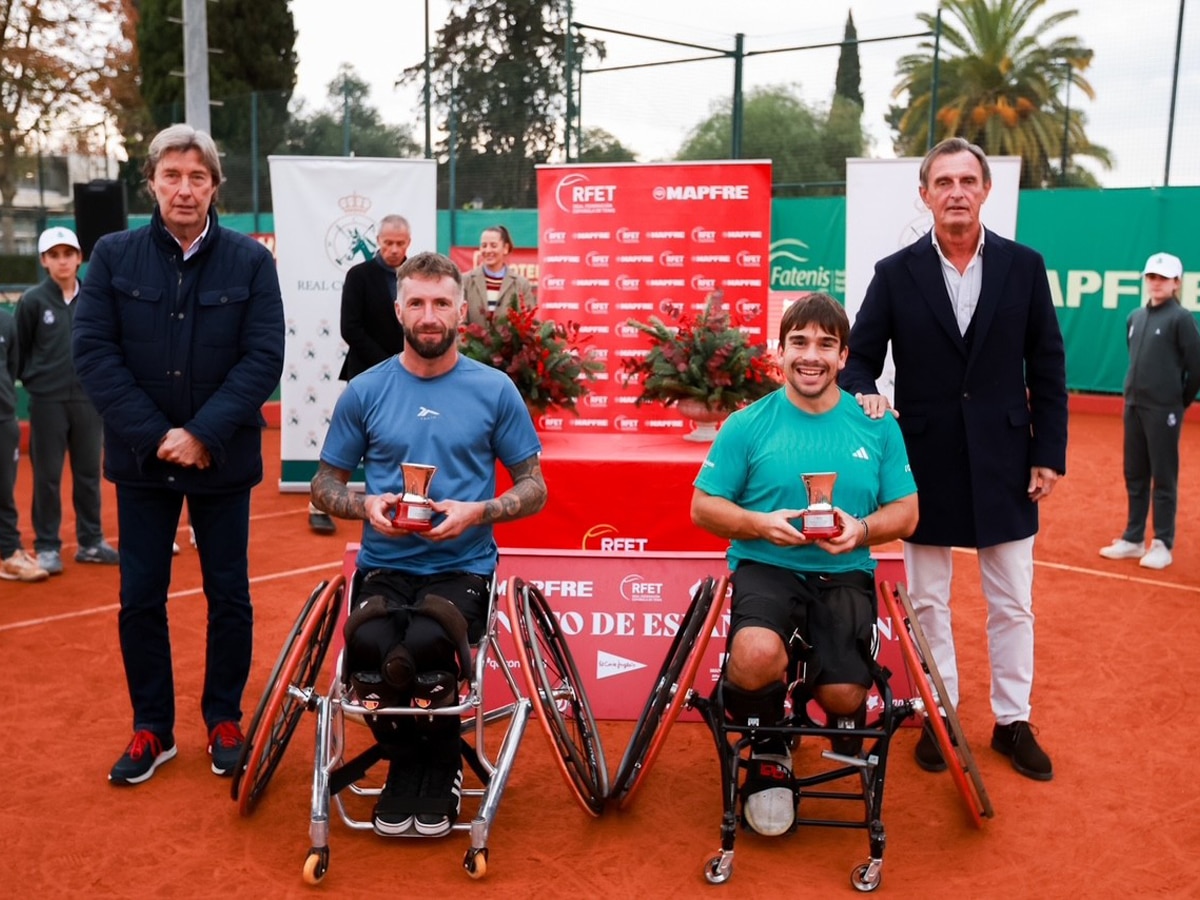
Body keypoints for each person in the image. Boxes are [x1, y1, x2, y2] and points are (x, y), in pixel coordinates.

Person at [841, 137, 1068, 783]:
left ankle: (1012, 721)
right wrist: (867, 397)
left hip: (1007, 460)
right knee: (929, 603)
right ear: (925, 195)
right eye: (944, 182)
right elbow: (861, 359)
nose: (957, 192)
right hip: (925, 464)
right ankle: (939, 713)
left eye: (968, 180)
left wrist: (1047, 452)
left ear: (986, 191)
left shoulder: (1025, 267)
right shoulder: (895, 272)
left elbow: (1048, 366)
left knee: (1013, 603)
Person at [72, 124, 285, 786]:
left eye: (198, 177)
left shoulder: (251, 262)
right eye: (172, 175)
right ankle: (152, 729)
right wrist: (158, 436)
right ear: (153, 183)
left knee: (229, 594)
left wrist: (201, 433)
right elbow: (94, 353)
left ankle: (224, 717)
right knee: (141, 596)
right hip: (142, 463)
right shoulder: (111, 256)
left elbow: (263, 358)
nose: (184, 188)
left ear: (216, 186)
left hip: (221, 459)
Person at [311, 250, 545, 838]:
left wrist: (479, 511)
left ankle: (434, 766)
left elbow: (534, 487)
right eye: (416, 302)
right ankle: (411, 761)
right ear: (398, 311)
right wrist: (364, 505)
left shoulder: (495, 390)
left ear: (460, 309)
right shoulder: (365, 391)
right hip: (384, 563)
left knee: (426, 644)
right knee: (367, 651)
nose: (429, 314)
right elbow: (323, 485)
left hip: (462, 565)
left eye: (441, 302)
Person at [691, 293, 918, 836]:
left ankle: (804, 693)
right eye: (798, 342)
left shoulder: (878, 424)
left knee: (843, 697)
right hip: (767, 565)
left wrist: (862, 530)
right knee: (754, 654)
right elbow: (704, 506)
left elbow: (907, 513)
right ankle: (770, 744)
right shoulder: (747, 423)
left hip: (845, 571)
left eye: (824, 344)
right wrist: (760, 524)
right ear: (779, 351)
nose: (810, 355)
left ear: (844, 356)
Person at [15, 227, 118, 575]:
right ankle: (46, 546)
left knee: (89, 473)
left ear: (79, 258)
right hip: (48, 401)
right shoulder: (32, 301)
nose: (63, 261)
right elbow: (21, 349)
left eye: (68, 254)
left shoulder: (95, 298)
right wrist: (35, 381)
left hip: (89, 399)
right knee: (47, 476)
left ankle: (91, 542)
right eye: (55, 255)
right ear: (44, 260)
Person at [1098, 252, 1200, 570]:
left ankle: (1162, 543)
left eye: (1163, 278)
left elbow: (1195, 366)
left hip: (1164, 410)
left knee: (1163, 477)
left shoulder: (1181, 319)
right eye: (1152, 277)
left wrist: (1178, 400)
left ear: (1176, 283)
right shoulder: (1135, 317)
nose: (1156, 283)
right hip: (1134, 406)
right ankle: (1133, 538)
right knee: (1135, 473)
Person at [312, 215, 413, 535]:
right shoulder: (358, 275)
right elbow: (350, 329)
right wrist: (390, 366)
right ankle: (319, 504)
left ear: (409, 242)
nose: (394, 249)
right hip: (366, 374)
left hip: (412, 376)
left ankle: (405, 503)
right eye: (388, 243)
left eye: (400, 243)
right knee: (349, 440)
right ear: (377, 241)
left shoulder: (419, 274)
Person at [1, 304, 49, 583]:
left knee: (3, 491)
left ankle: (9, 554)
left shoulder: (7, 322)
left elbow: (12, 367)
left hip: (3, 419)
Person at [462, 224, 534, 326]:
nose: (487, 250)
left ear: (505, 248)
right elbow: (458, 321)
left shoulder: (521, 284)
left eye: (493, 245)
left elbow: (529, 322)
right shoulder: (465, 281)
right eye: (484, 245)